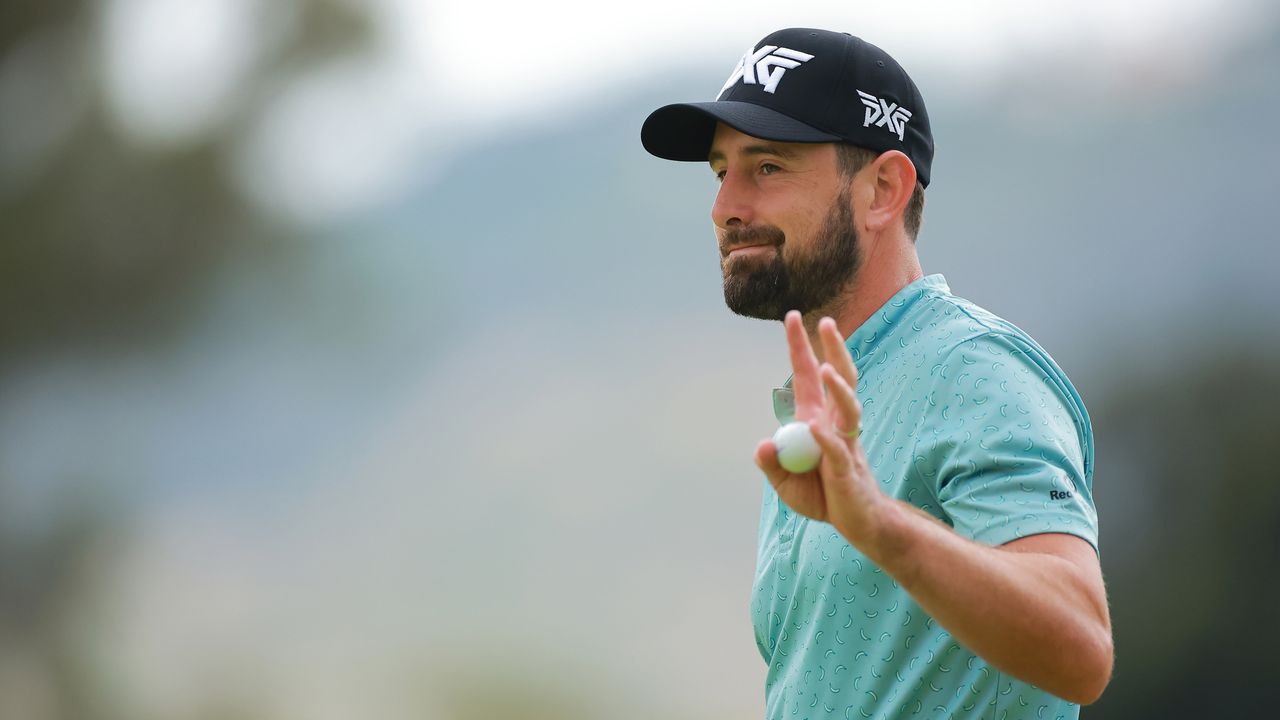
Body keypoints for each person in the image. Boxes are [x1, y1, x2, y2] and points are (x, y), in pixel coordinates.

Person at [640, 28, 1112, 719]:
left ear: (882, 190)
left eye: (766, 167)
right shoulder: (828, 403)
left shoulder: (974, 372)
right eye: (721, 172)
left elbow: (1082, 649)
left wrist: (883, 526)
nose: (725, 206)